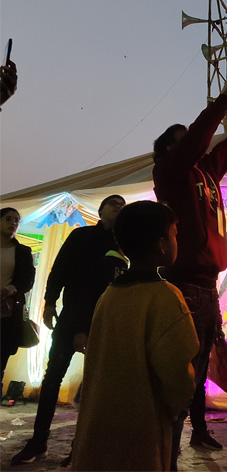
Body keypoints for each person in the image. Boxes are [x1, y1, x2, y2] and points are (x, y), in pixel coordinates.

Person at [153, 74, 227, 467]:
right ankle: (164, 456)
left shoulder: (205, 173)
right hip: (183, 284)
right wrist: (226, 96)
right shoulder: (170, 172)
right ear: (169, 150)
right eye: (186, 138)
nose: (198, 142)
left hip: (208, 287)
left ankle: (180, 443)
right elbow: (199, 138)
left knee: (196, 375)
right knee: (178, 380)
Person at [71, 201, 199, 471]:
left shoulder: (110, 295)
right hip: (142, 432)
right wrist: (177, 406)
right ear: (162, 244)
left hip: (101, 425)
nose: (178, 241)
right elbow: (177, 371)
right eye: (175, 234)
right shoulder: (166, 297)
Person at [11, 195, 127, 466]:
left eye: (123, 204)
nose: (118, 206)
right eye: (113, 202)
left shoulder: (126, 244)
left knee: (96, 387)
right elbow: (60, 268)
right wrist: (50, 302)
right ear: (100, 210)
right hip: (71, 315)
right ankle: (38, 442)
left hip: (106, 322)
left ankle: (82, 446)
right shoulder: (82, 235)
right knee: (52, 380)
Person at [1, 207, 35, 385]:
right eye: (8, 219)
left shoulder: (23, 252)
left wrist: (9, 290)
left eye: (16, 220)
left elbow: (27, 280)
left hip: (7, 313)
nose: (13, 223)